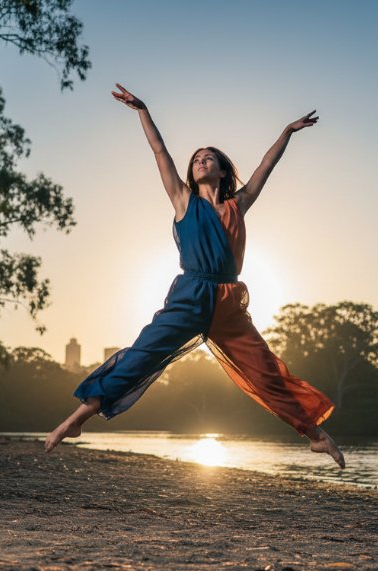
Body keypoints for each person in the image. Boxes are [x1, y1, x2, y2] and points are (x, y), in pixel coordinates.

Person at [44, 84, 345, 468]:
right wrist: (143, 110)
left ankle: (316, 437)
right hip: (189, 296)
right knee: (140, 357)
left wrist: (286, 131)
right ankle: (75, 421)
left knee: (265, 370)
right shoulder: (183, 200)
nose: (202, 161)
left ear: (222, 170)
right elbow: (160, 151)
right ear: (192, 171)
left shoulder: (240, 203)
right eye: (197, 159)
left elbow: (266, 167)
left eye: (209, 158)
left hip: (227, 304)